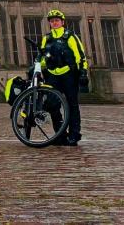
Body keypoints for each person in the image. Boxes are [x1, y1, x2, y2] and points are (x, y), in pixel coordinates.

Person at [39, 8, 89, 146]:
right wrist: (37, 65)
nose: (54, 23)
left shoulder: (70, 36)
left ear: (62, 22)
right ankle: (60, 133)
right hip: (52, 75)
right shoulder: (46, 38)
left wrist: (83, 72)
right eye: (52, 21)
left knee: (72, 105)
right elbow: (42, 57)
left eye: (57, 20)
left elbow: (80, 56)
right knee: (52, 104)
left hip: (68, 74)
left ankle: (74, 134)